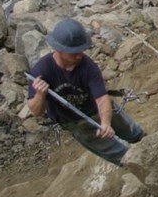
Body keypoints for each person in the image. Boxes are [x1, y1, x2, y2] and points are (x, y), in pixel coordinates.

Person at [26, 18, 145, 166]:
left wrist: (106, 123)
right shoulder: (41, 71)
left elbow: (102, 98)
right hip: (73, 121)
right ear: (59, 50)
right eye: (73, 53)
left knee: (130, 130)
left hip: (95, 107)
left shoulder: (88, 66)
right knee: (115, 152)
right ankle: (134, 165)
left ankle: (144, 142)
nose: (79, 56)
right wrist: (40, 94)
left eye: (80, 51)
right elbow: (35, 111)